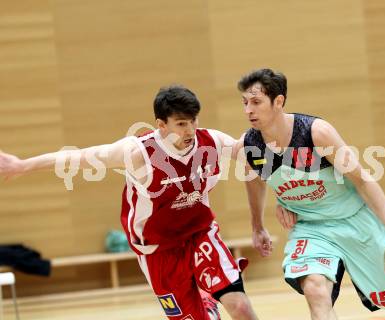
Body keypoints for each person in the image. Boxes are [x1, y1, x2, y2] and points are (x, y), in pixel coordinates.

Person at [0, 85, 259, 320]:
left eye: (193, 121)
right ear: (161, 125)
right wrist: (22, 166)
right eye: (181, 124)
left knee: (241, 307)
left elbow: (257, 158)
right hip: (158, 251)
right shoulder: (138, 153)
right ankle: (204, 301)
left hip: (199, 235)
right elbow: (77, 158)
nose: (190, 130)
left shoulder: (210, 142)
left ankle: (208, 294)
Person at [235, 68, 385, 320]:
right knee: (315, 290)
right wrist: (258, 225)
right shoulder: (250, 145)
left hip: (355, 222)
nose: (248, 110)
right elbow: (255, 182)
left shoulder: (316, 133)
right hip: (312, 229)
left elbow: (363, 180)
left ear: (279, 102)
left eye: (256, 102)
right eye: (245, 103)